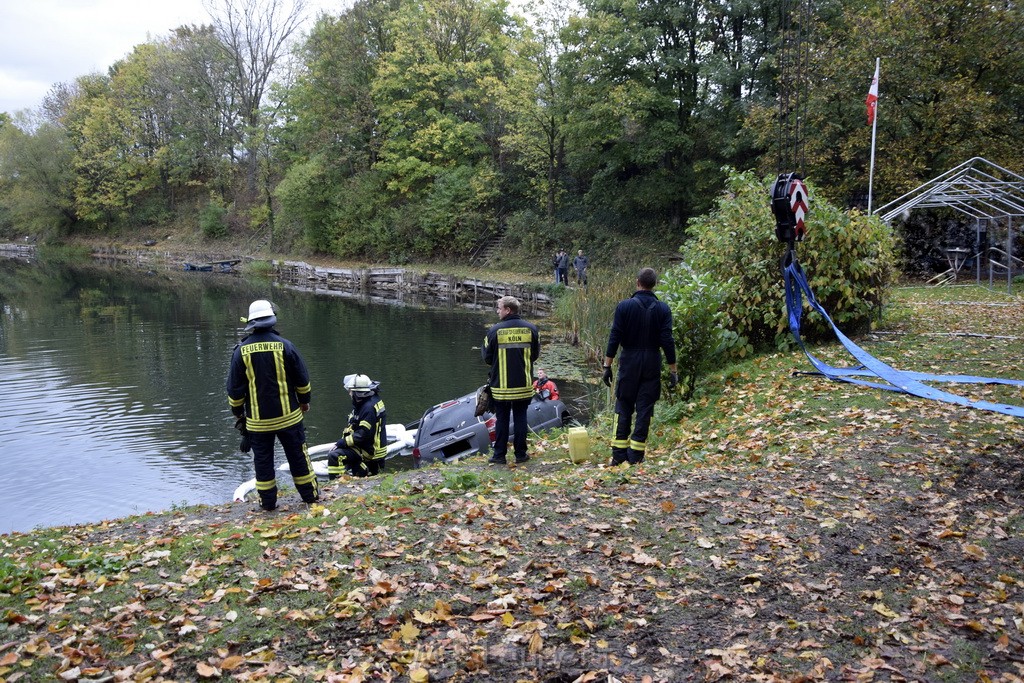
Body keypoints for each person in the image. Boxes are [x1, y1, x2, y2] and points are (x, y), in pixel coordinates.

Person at [227, 300, 319, 510]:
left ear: (251, 323)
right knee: (298, 458)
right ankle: (310, 498)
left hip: (258, 424)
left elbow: (234, 391)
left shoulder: (240, 351)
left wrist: (238, 413)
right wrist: (304, 402)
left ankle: (268, 504)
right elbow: (302, 381)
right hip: (290, 418)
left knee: (263, 463)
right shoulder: (286, 346)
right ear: (271, 321)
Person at [602, 268, 678, 465]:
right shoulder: (663, 309)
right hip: (652, 360)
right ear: (654, 284)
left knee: (624, 404)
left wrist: (607, 366)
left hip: (629, 361)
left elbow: (615, 336)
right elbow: (667, 341)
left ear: (637, 282)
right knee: (645, 408)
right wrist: (673, 370)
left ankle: (619, 456)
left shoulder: (624, 307)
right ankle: (636, 456)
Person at [482, 295, 540, 465]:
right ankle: (521, 454)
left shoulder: (494, 331)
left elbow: (487, 358)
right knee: (521, 418)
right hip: (524, 385)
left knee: (502, 420)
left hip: (501, 387)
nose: (497, 310)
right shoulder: (531, 329)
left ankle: (499, 455)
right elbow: (534, 355)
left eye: (499, 307)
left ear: (508, 310)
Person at [328, 374, 388, 478]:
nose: (349, 394)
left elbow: (362, 434)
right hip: (369, 446)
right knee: (344, 455)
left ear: (358, 393)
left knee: (334, 456)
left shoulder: (368, 408)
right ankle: (354, 470)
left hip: (370, 450)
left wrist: (342, 443)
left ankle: (335, 484)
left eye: (351, 391)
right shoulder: (369, 401)